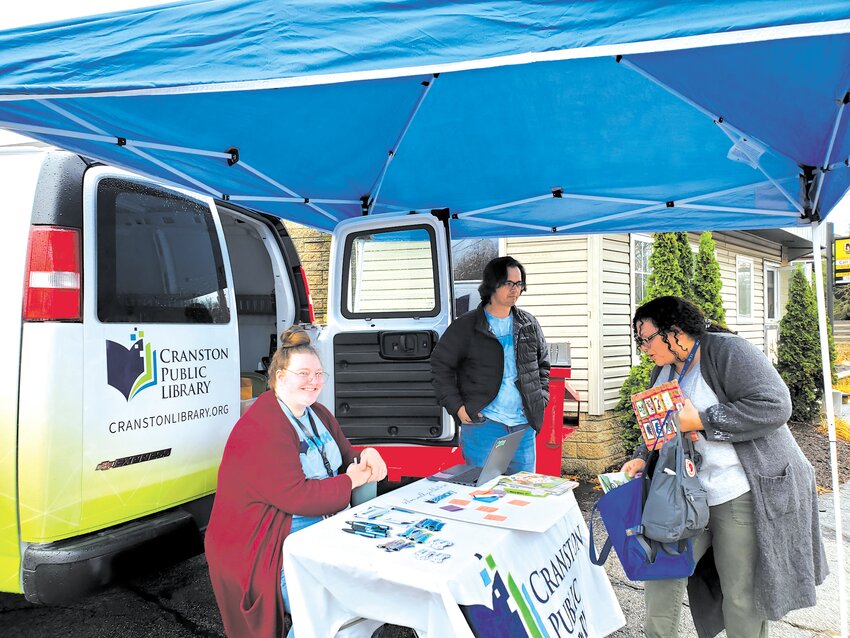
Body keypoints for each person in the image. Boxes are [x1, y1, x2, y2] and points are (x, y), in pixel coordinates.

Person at [621, 296, 827, 638]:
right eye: (638, 340)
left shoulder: (728, 352)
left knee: (741, 594)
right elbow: (660, 422)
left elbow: (775, 405)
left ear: (674, 332)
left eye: (646, 339)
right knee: (662, 575)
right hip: (685, 494)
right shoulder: (663, 368)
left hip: (740, 490)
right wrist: (644, 454)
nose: (643, 348)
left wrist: (701, 421)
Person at [205, 326, 387, 638]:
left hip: (317, 536)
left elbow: (345, 456)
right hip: (268, 548)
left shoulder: (317, 413)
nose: (313, 381)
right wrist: (349, 481)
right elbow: (297, 497)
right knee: (335, 609)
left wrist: (366, 454)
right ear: (278, 377)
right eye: (303, 373)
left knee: (374, 593)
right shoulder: (263, 426)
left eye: (318, 374)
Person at [431, 256, 550, 473]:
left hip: (523, 428)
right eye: (508, 283)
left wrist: (539, 399)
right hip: (483, 425)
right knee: (482, 495)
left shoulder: (529, 324)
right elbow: (441, 366)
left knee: (522, 496)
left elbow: (542, 365)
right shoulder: (466, 326)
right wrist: (456, 406)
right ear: (492, 284)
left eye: (519, 283)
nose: (515, 289)